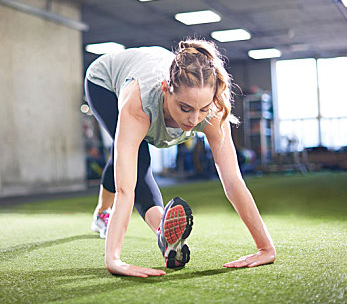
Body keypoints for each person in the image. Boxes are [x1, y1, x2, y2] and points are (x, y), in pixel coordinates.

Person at [85, 39, 276, 277]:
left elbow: (234, 182)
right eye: (185, 108)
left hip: (148, 64)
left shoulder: (214, 112)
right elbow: (126, 190)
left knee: (125, 155)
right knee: (136, 159)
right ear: (166, 89)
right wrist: (114, 259)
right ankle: (104, 212)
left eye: (202, 109)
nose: (194, 120)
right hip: (104, 81)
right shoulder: (138, 104)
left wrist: (265, 247)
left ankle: (161, 233)